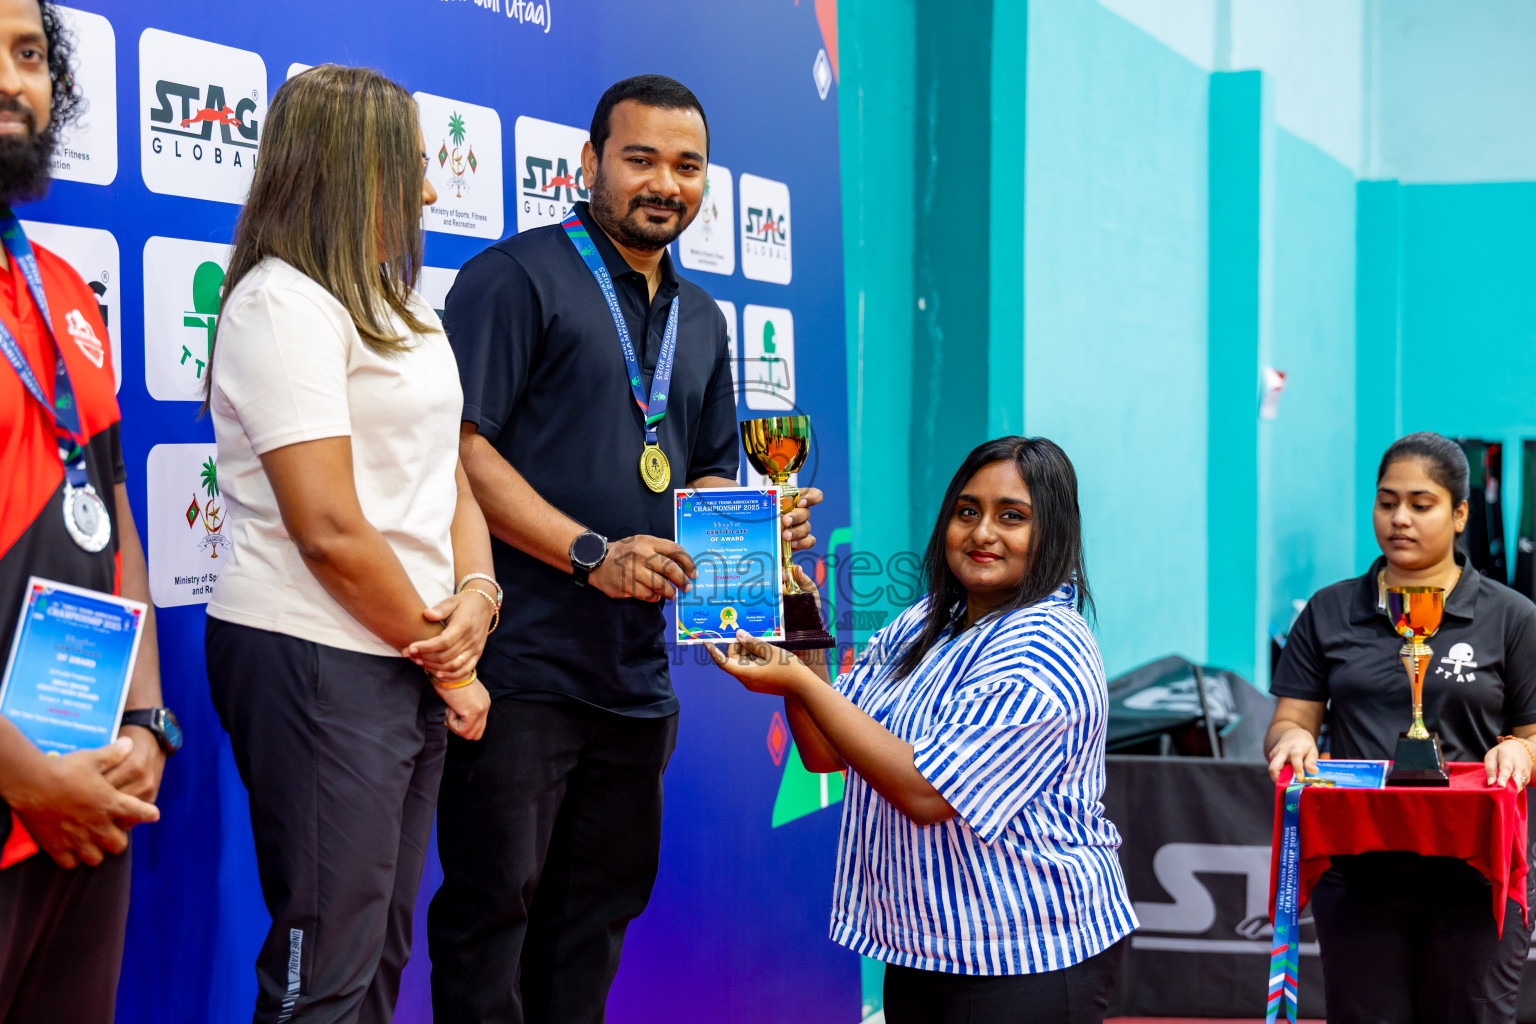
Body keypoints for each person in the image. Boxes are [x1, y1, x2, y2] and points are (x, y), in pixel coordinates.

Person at [428, 74, 820, 1023]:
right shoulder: (514, 278)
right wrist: (588, 551)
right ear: (589, 164)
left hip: (636, 683)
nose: (664, 183)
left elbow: (710, 476)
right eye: (639, 158)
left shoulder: (706, 318)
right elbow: (456, 449)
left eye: (687, 166)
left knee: (592, 923)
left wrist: (764, 530)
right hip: (516, 671)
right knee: (491, 922)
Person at [203, 65, 494, 1023]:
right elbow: (327, 530)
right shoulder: (281, 304)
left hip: (404, 652)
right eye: (409, 163)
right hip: (315, 652)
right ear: (350, 166)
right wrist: (446, 659)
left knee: (377, 951)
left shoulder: (401, 303)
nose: (428, 188)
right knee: (323, 961)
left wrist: (480, 594)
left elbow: (448, 477)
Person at [709, 437, 1137, 1024]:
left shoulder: (1047, 646)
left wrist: (800, 683)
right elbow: (825, 750)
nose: (982, 533)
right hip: (924, 946)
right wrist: (797, 621)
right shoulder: (926, 620)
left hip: (1025, 956)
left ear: (1053, 534)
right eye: (967, 511)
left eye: (1011, 517)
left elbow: (926, 793)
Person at [0, 2, 171, 1020]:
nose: (12, 80)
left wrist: (146, 716)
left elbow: (112, 509)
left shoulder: (59, 284)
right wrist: (22, 774)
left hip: (86, 783)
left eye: (27, 54)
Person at [1265, 431, 1536, 1024]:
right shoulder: (1331, 610)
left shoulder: (1512, 617)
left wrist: (1520, 749)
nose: (1399, 520)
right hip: (1359, 873)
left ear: (1461, 514)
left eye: (1421, 503)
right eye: (1387, 503)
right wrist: (1292, 739)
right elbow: (1292, 718)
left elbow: (1534, 732)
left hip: (1476, 875)